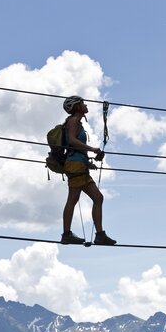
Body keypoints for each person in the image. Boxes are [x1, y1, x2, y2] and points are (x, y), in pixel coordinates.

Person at [59, 95, 117, 245]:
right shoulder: (73, 121)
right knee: (74, 199)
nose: (86, 105)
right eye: (83, 103)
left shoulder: (76, 122)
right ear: (77, 107)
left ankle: (97, 234)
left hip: (80, 165)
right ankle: (68, 234)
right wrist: (92, 149)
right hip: (75, 166)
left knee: (97, 198)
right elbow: (72, 141)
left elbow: (75, 147)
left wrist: (89, 161)